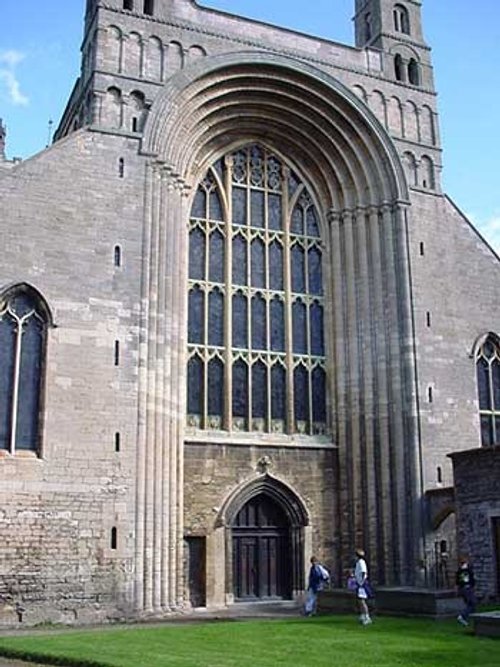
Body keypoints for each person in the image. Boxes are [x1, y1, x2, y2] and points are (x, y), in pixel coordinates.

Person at [456, 555, 476, 626]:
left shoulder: (459, 571)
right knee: (472, 604)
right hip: (467, 588)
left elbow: (458, 582)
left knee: (469, 604)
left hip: (463, 589)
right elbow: (469, 580)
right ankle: (462, 616)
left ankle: (468, 619)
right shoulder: (467, 570)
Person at [354, 548, 372, 625]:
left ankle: (367, 617)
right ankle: (362, 615)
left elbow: (363, 573)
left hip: (362, 584)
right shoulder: (358, 563)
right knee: (359, 600)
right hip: (359, 583)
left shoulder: (361, 562)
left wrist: (361, 583)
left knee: (362, 601)